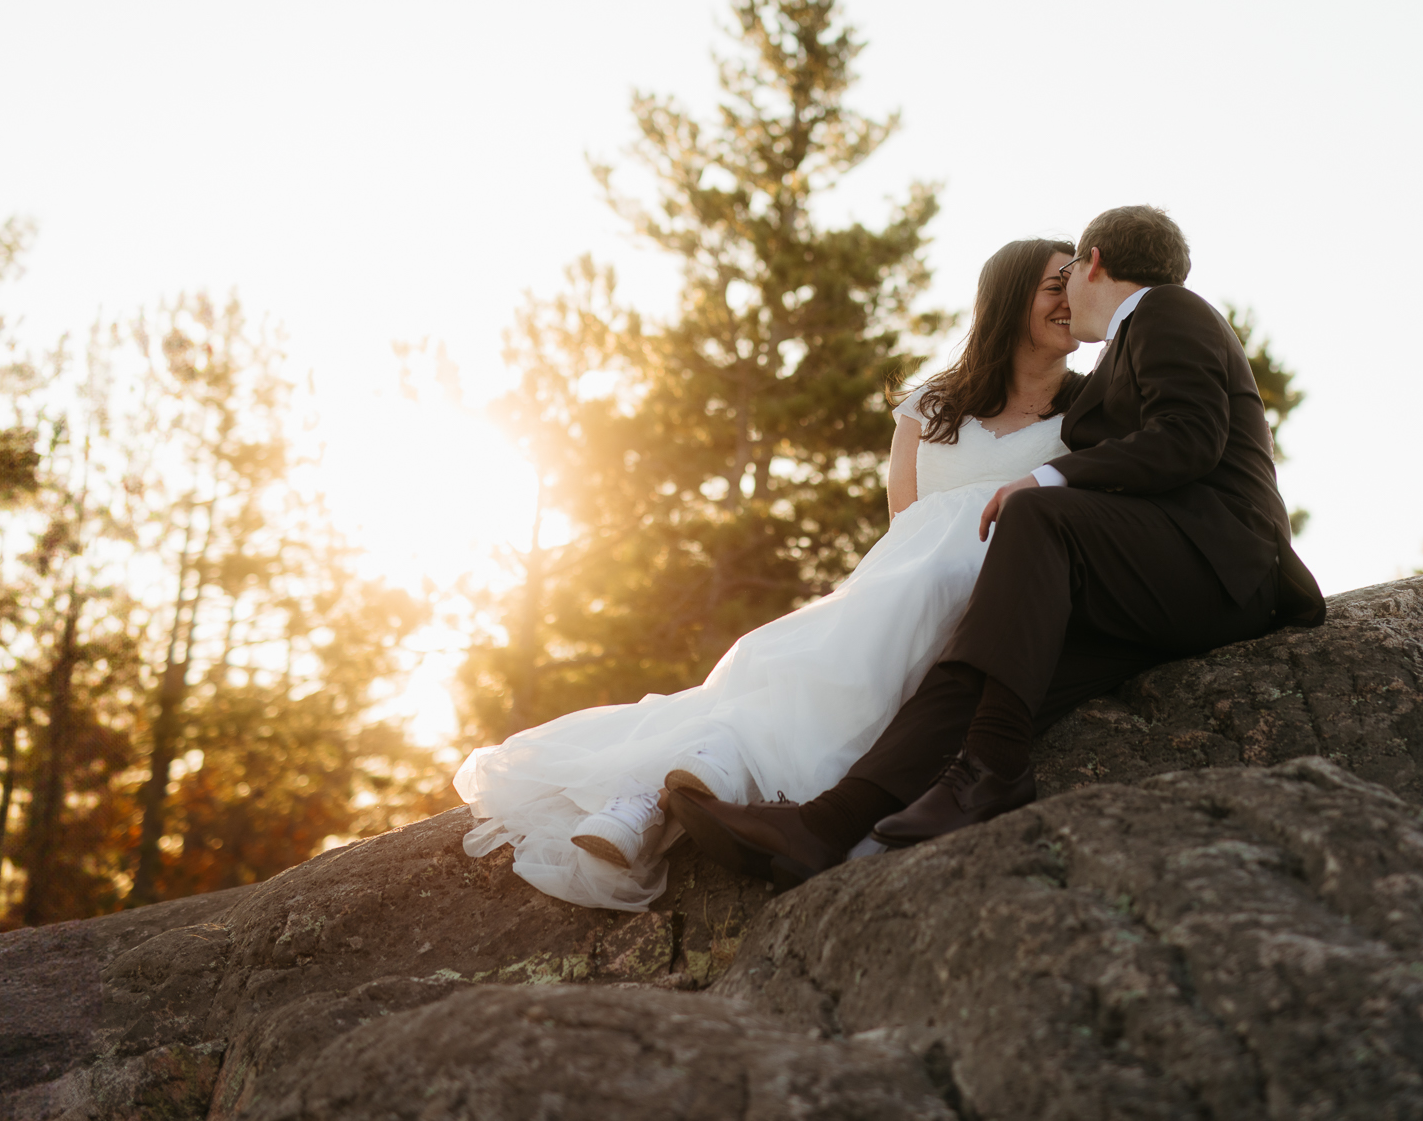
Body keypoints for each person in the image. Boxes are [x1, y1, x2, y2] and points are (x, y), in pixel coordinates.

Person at [668, 205, 1325, 887]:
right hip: (1166, 588)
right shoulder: (1116, 365)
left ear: (1091, 263)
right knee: (979, 668)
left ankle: (995, 771)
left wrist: (1045, 476)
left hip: (1225, 564)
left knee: (1038, 516)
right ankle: (824, 826)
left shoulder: (1167, 310)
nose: (1066, 298)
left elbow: (1187, 440)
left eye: (1066, 276)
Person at [453, 237, 1086, 910]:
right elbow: (906, 519)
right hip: (901, 577)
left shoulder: (1088, 410)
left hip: (990, 588)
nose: (1072, 299)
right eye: (1056, 285)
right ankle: (652, 794)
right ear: (1010, 297)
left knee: (839, 670)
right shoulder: (932, 403)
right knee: (780, 656)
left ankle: (668, 788)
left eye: (1076, 284)